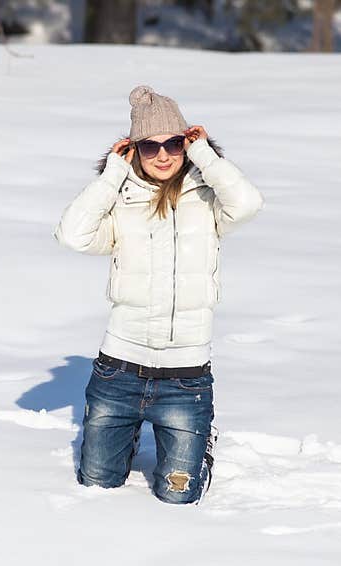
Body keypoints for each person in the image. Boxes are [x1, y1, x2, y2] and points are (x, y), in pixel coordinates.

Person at [52, 85, 265, 505]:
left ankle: (199, 437)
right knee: (97, 485)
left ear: (186, 144)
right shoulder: (122, 204)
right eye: (150, 147)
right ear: (134, 150)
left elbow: (248, 203)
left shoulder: (207, 201)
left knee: (177, 498)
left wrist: (205, 153)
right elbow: (72, 235)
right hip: (118, 373)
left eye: (173, 143)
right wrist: (113, 173)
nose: (163, 155)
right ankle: (124, 432)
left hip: (185, 379)